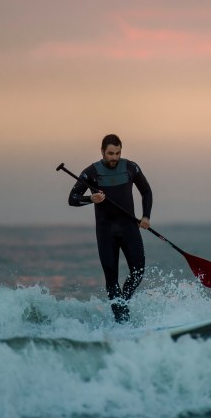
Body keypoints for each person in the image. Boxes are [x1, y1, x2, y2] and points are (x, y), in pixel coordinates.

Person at [68, 134, 152, 323]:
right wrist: (91, 199)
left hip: (129, 228)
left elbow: (146, 191)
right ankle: (122, 321)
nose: (114, 157)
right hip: (106, 233)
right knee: (111, 279)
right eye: (110, 153)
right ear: (102, 152)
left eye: (118, 153)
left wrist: (146, 216)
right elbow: (72, 198)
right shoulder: (91, 172)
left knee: (138, 271)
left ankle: (123, 303)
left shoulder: (131, 167)